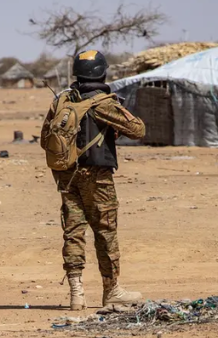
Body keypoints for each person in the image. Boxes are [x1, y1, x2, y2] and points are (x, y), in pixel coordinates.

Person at [41, 50, 146, 311]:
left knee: (73, 231)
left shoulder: (62, 100)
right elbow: (138, 130)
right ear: (102, 72)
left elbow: (45, 139)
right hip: (97, 176)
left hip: (66, 176)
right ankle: (112, 291)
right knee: (105, 231)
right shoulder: (103, 103)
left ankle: (76, 293)